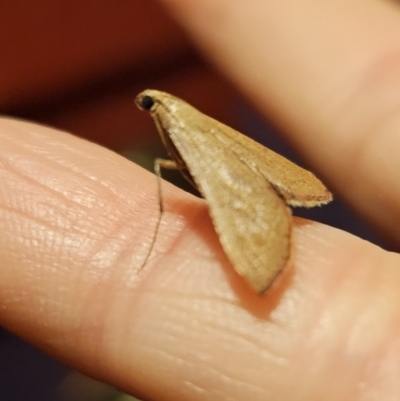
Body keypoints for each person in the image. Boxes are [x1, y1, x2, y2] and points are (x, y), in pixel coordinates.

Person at [1, 0, 400, 399]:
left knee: (176, 170)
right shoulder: (180, 113)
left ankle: (259, 228)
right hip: (226, 163)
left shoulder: (174, 117)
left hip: (234, 193)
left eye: (146, 105)